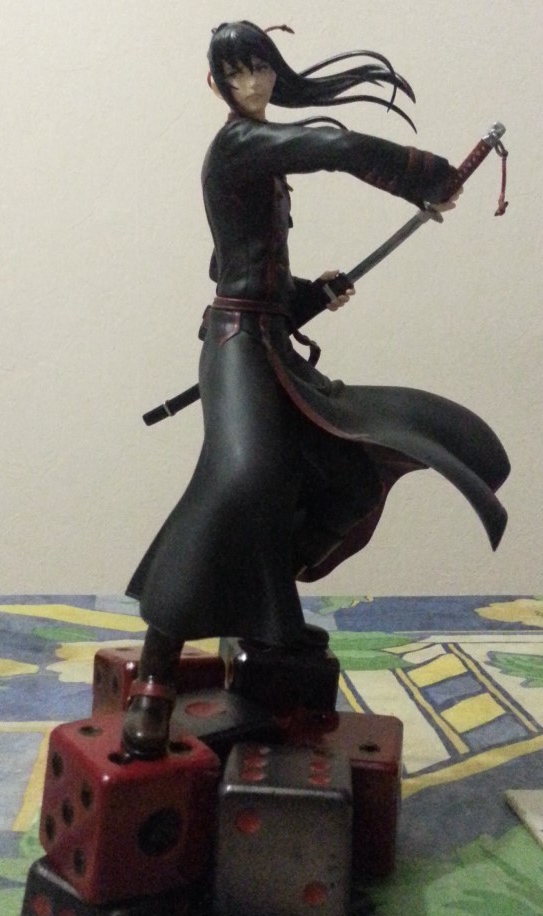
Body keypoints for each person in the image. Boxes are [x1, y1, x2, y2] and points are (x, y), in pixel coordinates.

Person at [122, 21, 509, 758]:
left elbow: (242, 263)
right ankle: (154, 677)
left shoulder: (259, 158)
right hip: (236, 346)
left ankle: (267, 610)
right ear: (215, 84)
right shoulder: (238, 146)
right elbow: (333, 145)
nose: (251, 84)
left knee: (344, 474)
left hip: (269, 340)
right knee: (238, 478)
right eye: (235, 74)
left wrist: (308, 292)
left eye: (260, 68)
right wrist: (426, 177)